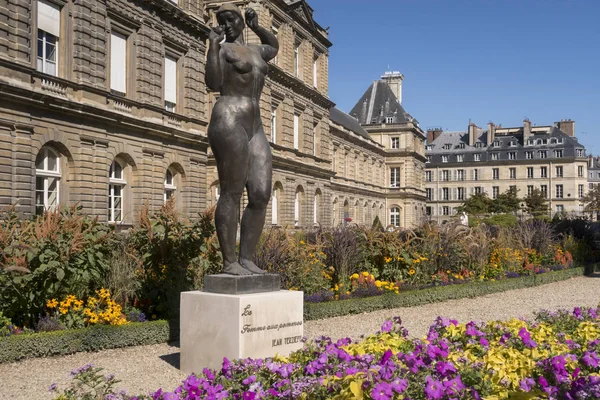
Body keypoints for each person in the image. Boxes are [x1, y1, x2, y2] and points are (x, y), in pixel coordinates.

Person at [205, 5, 279, 275]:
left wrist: (258, 26)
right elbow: (213, 82)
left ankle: (247, 258)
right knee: (232, 191)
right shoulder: (224, 50)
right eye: (222, 20)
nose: (228, 25)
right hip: (228, 118)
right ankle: (229, 262)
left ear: (241, 21)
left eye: (232, 19)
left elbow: (273, 46)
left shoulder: (256, 52)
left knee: (260, 193)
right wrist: (213, 45)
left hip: (255, 124)